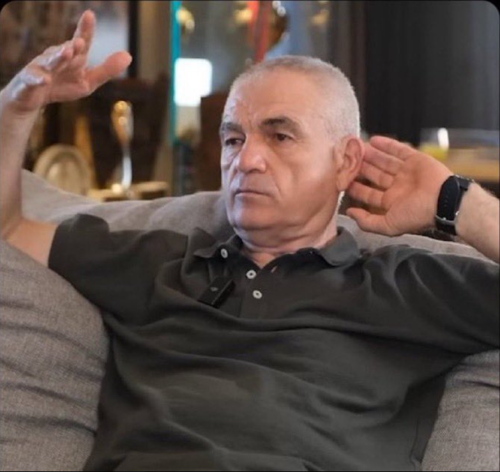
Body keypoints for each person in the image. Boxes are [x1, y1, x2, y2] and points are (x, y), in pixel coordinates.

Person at [1, 10, 498, 472]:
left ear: (346, 161)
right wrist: (18, 108)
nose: (246, 160)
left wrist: (459, 203)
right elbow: (10, 229)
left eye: (280, 137)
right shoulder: (159, 262)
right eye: (234, 139)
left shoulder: (399, 286)